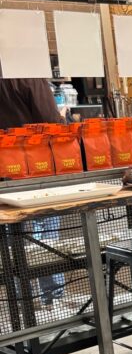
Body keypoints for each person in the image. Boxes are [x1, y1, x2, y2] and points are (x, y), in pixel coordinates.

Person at [0, 77, 65, 307]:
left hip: (5, 168)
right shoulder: (28, 74)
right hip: (36, 165)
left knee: (15, 238)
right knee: (46, 235)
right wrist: (63, 118)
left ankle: (24, 299)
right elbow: (50, 121)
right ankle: (51, 299)